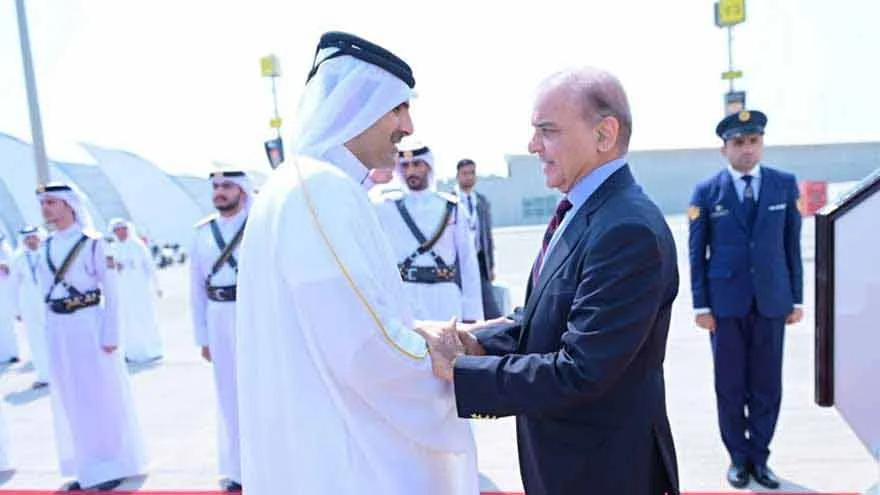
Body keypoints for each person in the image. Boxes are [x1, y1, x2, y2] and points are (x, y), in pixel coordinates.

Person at [235, 31, 478, 495]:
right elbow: (365, 349)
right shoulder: (319, 190)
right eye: (398, 108)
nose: (407, 126)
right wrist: (445, 362)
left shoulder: (295, 184)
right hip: (350, 458)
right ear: (357, 105)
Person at [419, 67, 680, 494]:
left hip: (605, 471)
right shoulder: (586, 210)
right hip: (569, 462)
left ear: (604, 134)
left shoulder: (627, 229)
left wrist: (462, 370)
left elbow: (582, 370)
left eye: (548, 131)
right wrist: (476, 339)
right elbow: (546, 315)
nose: (532, 145)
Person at [688, 109, 803, 490]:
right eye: (738, 143)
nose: (747, 149)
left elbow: (791, 246)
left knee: (768, 385)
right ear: (724, 150)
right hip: (725, 307)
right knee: (730, 385)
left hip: (772, 301)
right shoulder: (706, 192)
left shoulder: (784, 186)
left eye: (754, 141)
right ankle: (738, 458)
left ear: (762, 144)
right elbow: (696, 251)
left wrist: (796, 299)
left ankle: (761, 458)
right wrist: (701, 306)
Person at [35, 182, 147, 492]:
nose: (46, 209)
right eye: (44, 204)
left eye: (52, 203)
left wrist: (111, 334)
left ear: (69, 205)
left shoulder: (93, 244)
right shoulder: (45, 246)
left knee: (100, 398)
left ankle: (111, 464)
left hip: (90, 326)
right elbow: (44, 294)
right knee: (71, 398)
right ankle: (85, 466)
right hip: (60, 329)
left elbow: (112, 291)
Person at [188, 170, 251, 492]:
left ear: (241, 190)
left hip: (252, 316)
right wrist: (202, 337)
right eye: (215, 187)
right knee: (228, 395)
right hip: (218, 317)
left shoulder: (257, 226)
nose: (220, 192)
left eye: (227, 186)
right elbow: (195, 288)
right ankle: (238, 470)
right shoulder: (202, 233)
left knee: (259, 392)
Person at [373, 144, 483, 322]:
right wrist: (375, 179)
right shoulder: (386, 207)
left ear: (429, 166)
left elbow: (468, 261)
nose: (411, 171)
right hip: (404, 297)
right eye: (405, 166)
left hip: (444, 298)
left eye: (417, 164)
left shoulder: (452, 207)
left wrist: (472, 314)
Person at [109, 219, 163, 364]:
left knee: (145, 318)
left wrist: (157, 286)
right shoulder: (112, 249)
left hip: (140, 290)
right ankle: (131, 353)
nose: (121, 232)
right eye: (117, 230)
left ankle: (152, 350)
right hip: (123, 292)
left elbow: (150, 266)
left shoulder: (138, 246)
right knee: (127, 322)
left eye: (123, 229)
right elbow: (107, 270)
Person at [455, 158, 502, 319]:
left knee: (491, 310)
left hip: (480, 262)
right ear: (457, 176)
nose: (469, 177)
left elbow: (487, 237)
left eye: (472, 173)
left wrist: (491, 267)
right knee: (461, 309)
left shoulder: (482, 201)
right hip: (456, 265)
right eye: (465, 173)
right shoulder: (449, 202)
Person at [10, 226, 50, 387]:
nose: (31, 241)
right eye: (27, 238)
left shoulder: (48, 252)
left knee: (57, 337)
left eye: (33, 237)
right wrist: (17, 309)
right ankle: (44, 376)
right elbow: (14, 285)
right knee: (36, 340)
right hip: (29, 303)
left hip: (50, 301)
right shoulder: (18, 258)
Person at [0, 234, 20, 365]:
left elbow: (14, 268)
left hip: (7, 290)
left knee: (9, 324)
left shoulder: (7, 251)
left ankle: (13, 353)